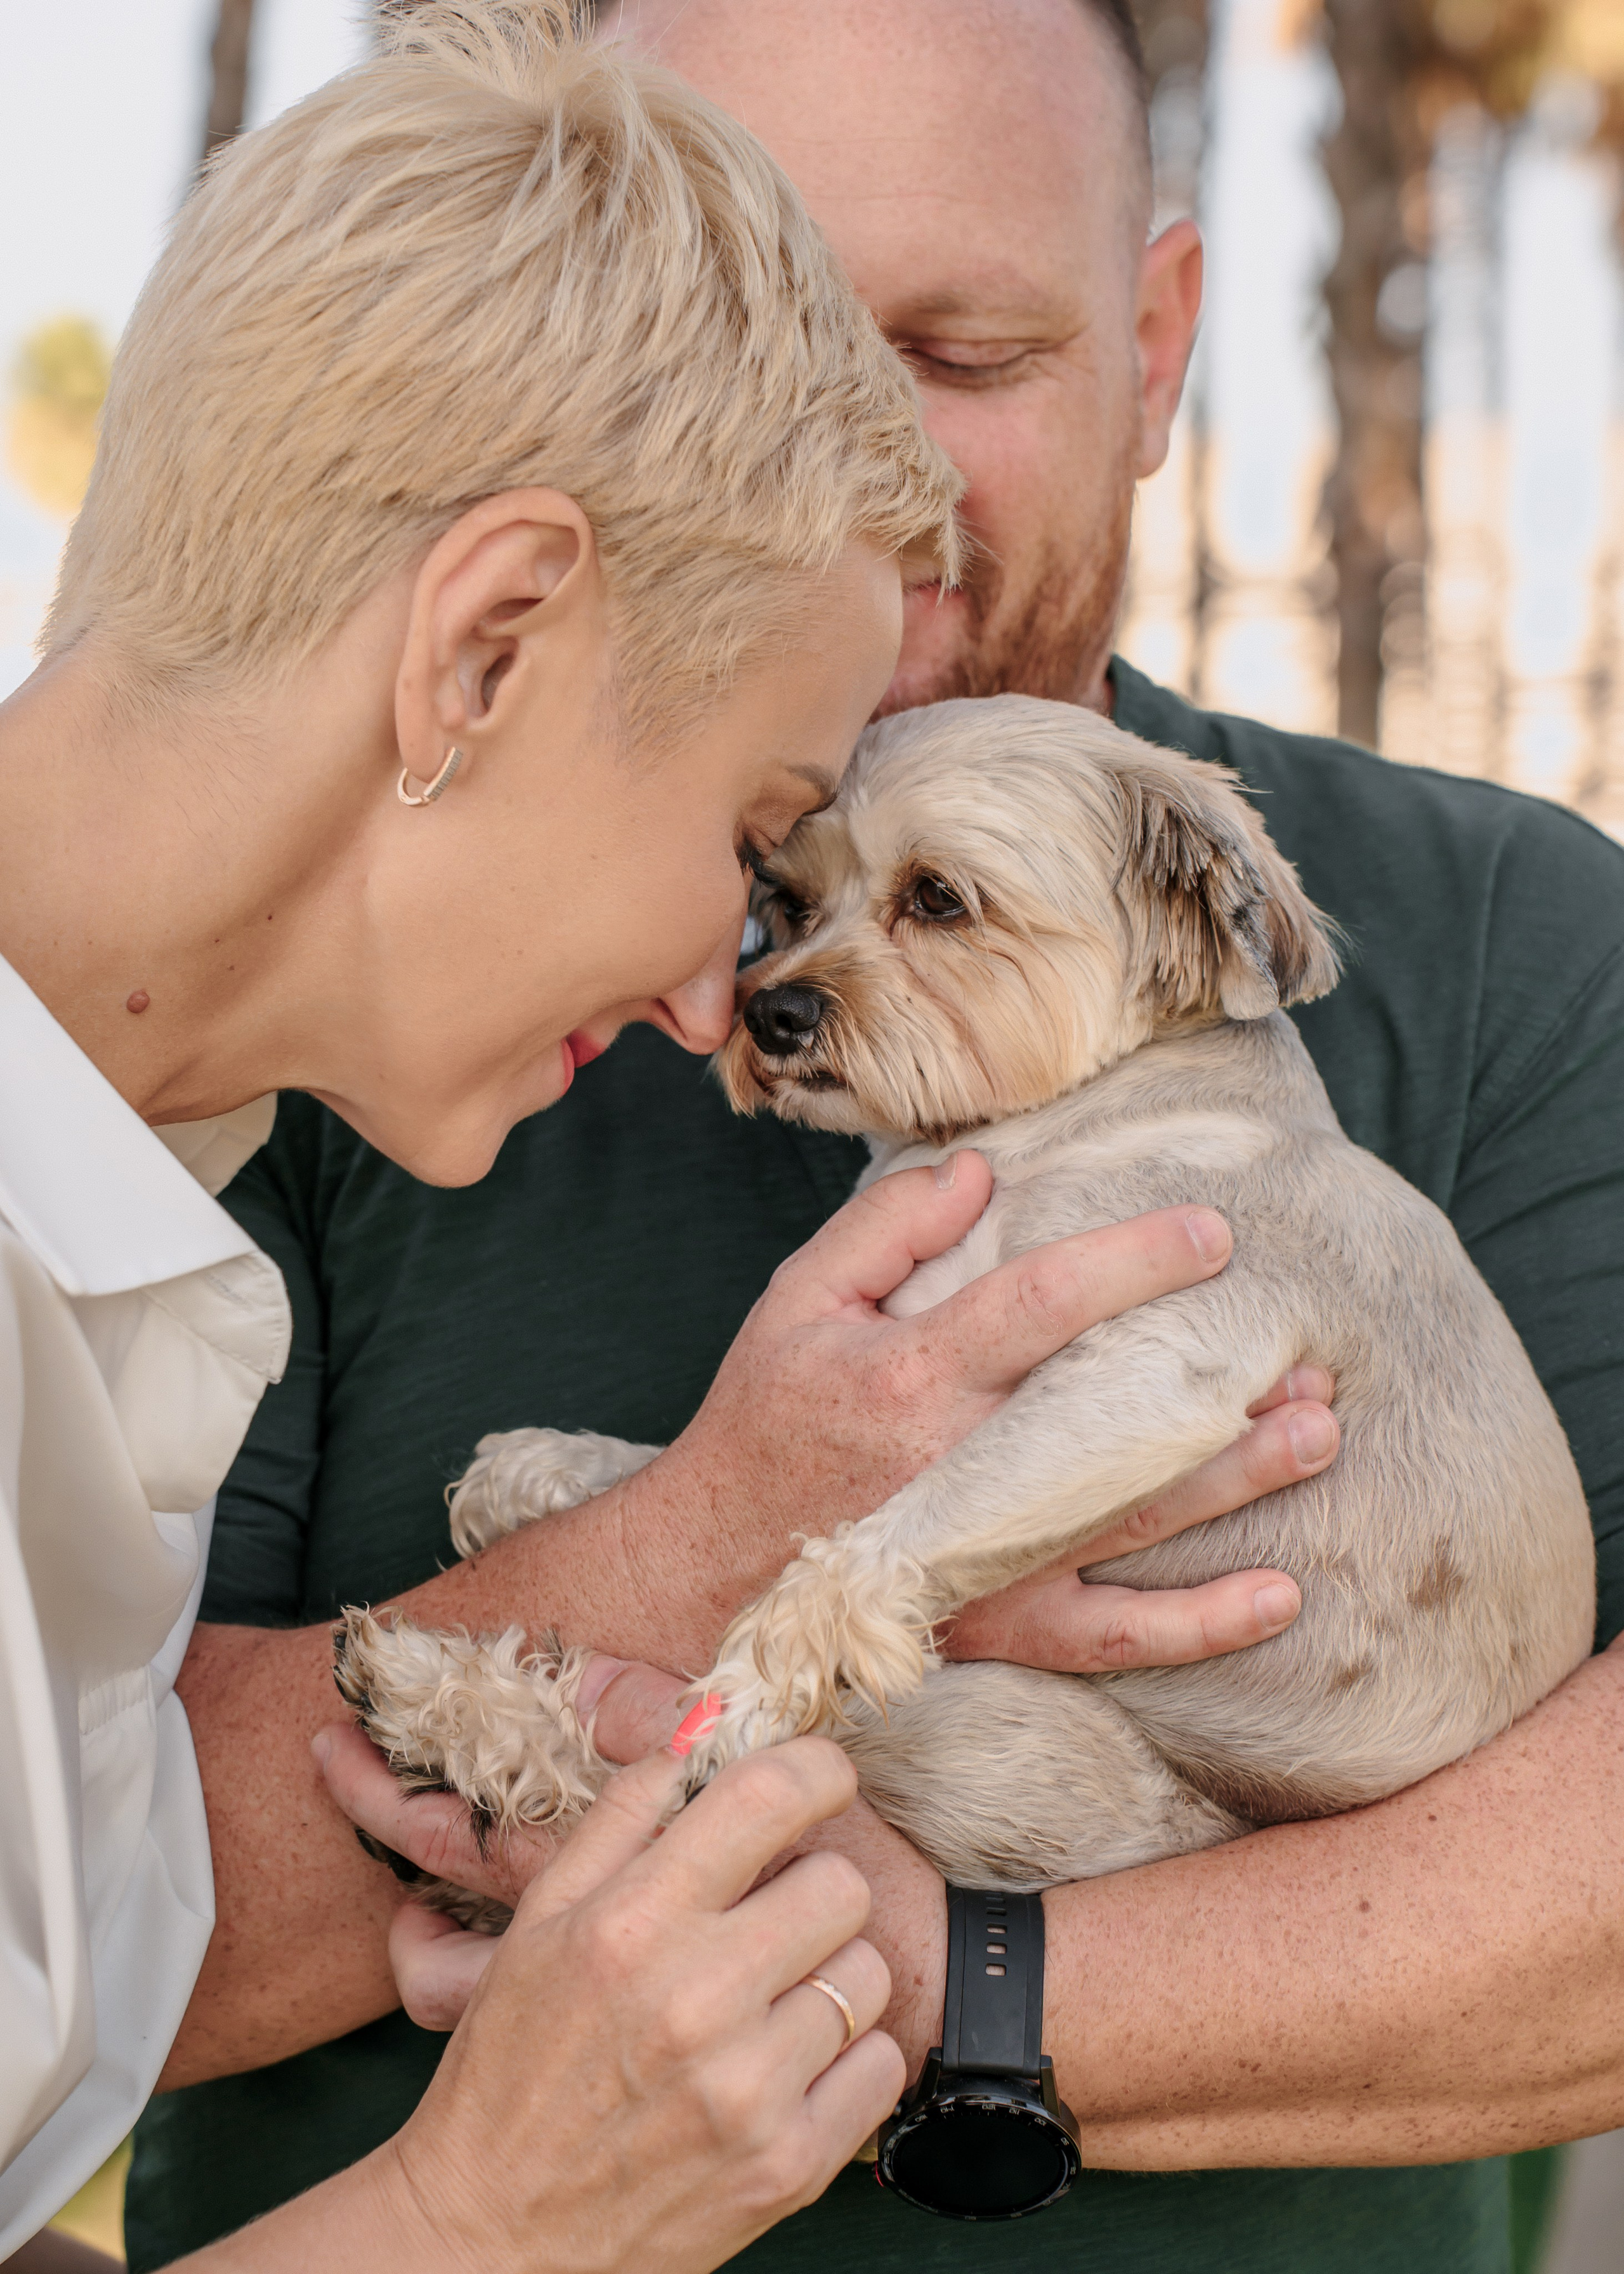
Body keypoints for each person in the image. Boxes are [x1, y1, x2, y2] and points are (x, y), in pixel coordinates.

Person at [121, 1, 1624, 2272]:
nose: (860, 458)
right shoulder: (343, 976)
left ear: (1157, 339)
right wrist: (710, 1533)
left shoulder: (1524, 941)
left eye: (961, 345)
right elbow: (89, 1904)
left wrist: (948, 1986)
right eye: (757, 342)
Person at [0, 6, 1247, 2267]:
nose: (718, 1002)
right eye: (759, 839)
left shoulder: (117, 1241)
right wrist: (484, 2214)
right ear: (486, 646)